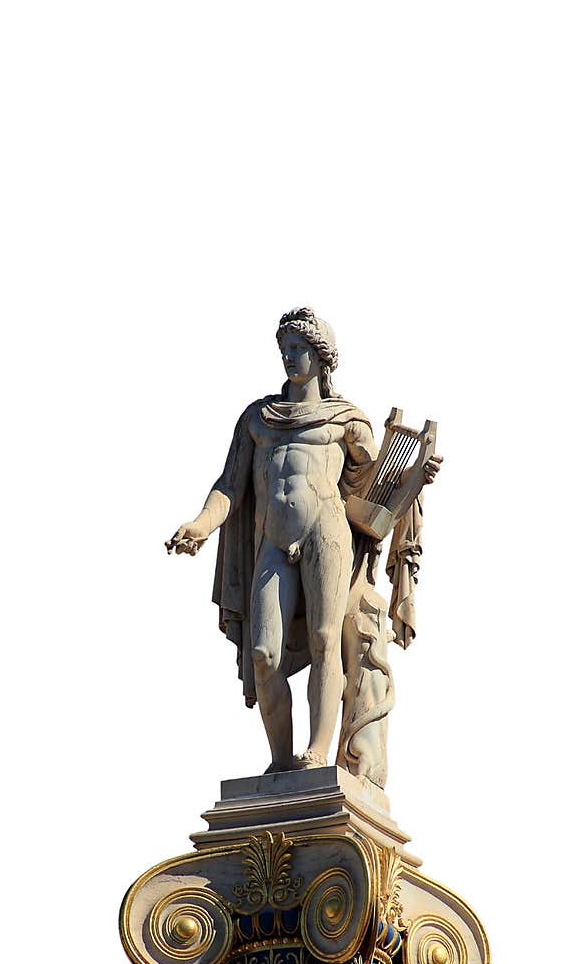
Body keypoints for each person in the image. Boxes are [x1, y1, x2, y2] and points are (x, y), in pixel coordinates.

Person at [166, 307, 441, 775]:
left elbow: (375, 484)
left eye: (298, 349)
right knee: (262, 653)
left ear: (321, 356)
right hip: (274, 539)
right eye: (284, 349)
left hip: (326, 533)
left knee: (322, 638)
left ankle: (317, 750)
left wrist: (417, 478)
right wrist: (201, 524)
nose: (289, 358)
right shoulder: (258, 418)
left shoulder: (347, 420)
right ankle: (279, 760)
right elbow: (230, 485)